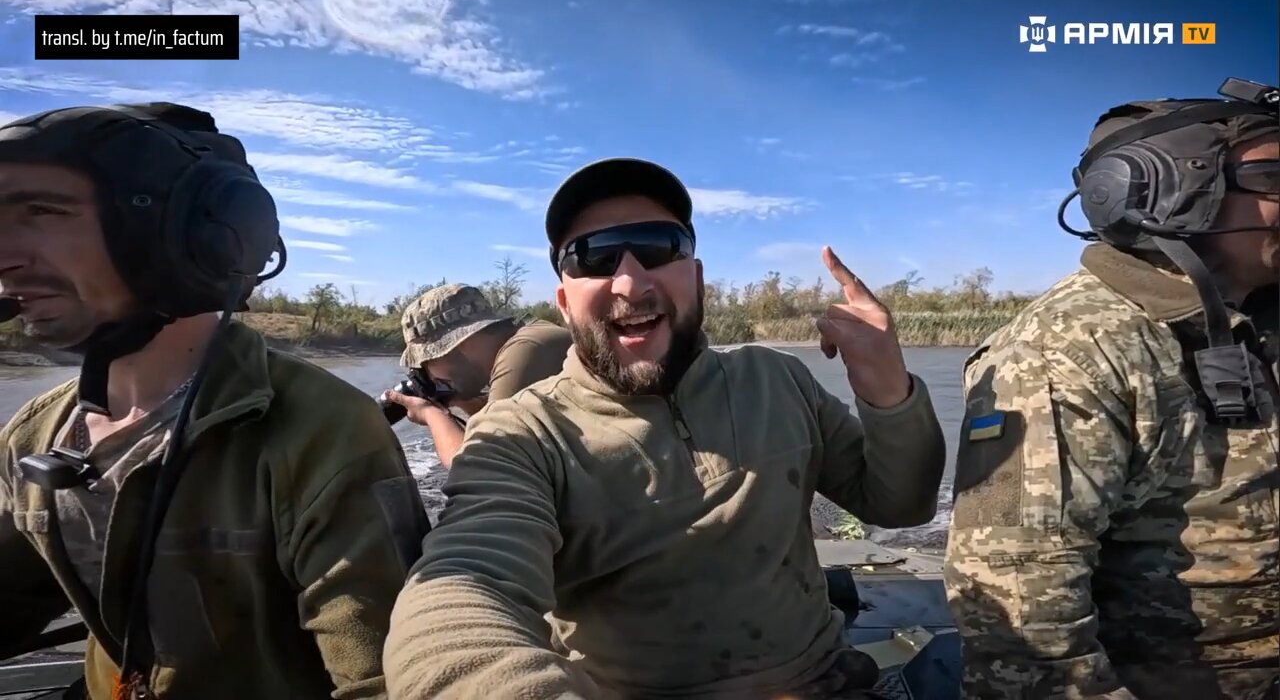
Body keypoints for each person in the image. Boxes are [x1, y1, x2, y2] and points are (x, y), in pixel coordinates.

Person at [383, 157, 948, 699]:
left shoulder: (778, 379)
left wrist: (885, 388)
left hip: (822, 682)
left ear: (696, 277)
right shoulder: (524, 432)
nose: (629, 281)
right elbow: (458, 597)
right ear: (563, 302)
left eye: (658, 247)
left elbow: (901, 505)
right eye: (593, 257)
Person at [0, 102, 428, 699]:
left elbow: (385, 681)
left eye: (42, 212)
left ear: (194, 235)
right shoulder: (34, 433)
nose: (5, 256)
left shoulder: (321, 432)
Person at [944, 78, 1279, 700]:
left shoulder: (1258, 319)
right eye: (1271, 178)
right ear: (1173, 192)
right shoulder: (1069, 348)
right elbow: (1021, 606)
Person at [381, 283, 572, 468]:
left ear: (458, 344)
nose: (429, 377)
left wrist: (431, 414)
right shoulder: (530, 339)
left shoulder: (526, 353)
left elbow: (480, 468)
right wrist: (464, 402)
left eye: (425, 363)